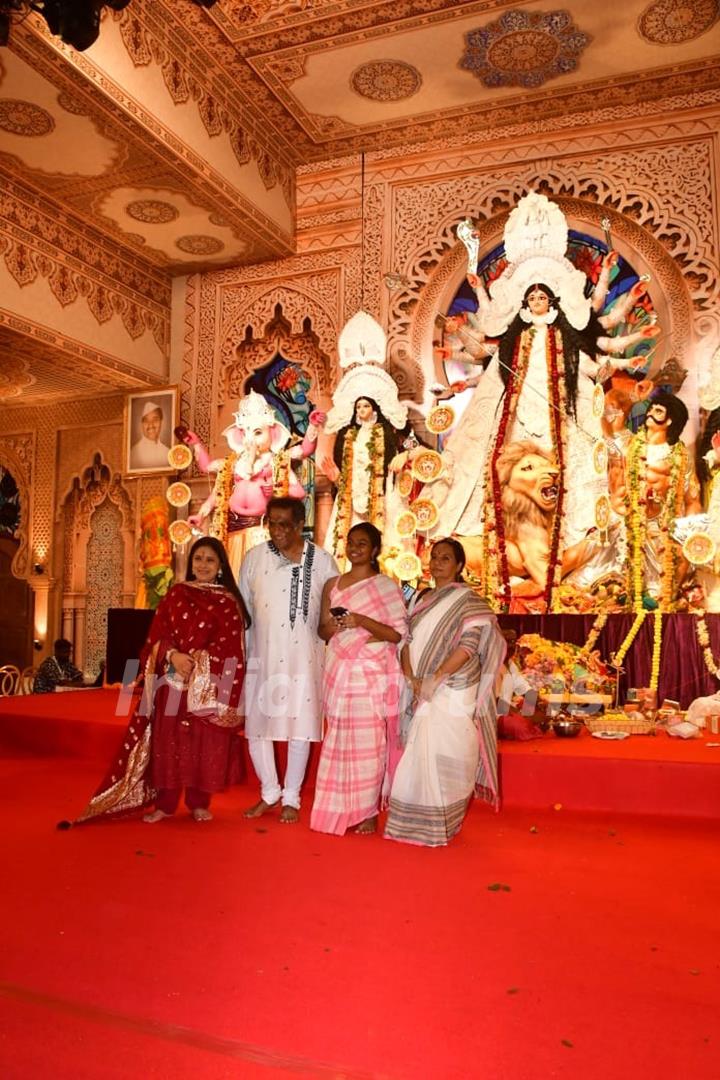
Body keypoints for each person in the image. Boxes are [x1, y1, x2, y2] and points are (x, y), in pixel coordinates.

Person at [426, 193, 659, 607]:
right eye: (530, 298)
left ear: (552, 301)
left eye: (542, 298)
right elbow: (482, 353)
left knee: (567, 475)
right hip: (513, 413)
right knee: (499, 474)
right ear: (524, 302)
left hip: (558, 412)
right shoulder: (514, 339)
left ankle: (563, 559)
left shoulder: (566, 339)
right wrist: (460, 342)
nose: (536, 303)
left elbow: (592, 363)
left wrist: (620, 360)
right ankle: (512, 552)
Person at [77, 537, 247, 824]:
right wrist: (172, 656)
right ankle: (166, 804)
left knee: (202, 742)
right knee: (168, 740)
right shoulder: (176, 594)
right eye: (198, 559)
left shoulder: (228, 602)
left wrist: (198, 662)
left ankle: (198, 802)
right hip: (171, 680)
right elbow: (156, 636)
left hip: (206, 684)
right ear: (190, 563)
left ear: (220, 566)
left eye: (210, 560)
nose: (203, 565)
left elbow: (231, 648)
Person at [385, 539, 506, 847]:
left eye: (445, 559)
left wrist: (436, 678)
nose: (437, 563)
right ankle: (414, 821)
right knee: (420, 750)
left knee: (454, 749)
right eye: (434, 557)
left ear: (459, 566)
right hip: (420, 685)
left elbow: (468, 647)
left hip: (453, 687)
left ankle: (444, 818)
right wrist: (411, 677)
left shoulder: (470, 602)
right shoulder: (421, 601)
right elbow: (406, 641)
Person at [240, 496, 338, 823]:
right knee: (257, 726)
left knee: (301, 725)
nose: (278, 531)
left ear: (300, 525)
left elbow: (334, 612)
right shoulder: (253, 559)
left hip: (305, 657)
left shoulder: (323, 562)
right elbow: (243, 613)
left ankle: (291, 797)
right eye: (273, 523)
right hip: (262, 654)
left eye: (285, 524)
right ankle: (269, 791)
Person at [310, 523, 407, 836]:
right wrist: (340, 625)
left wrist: (361, 621)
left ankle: (366, 812)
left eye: (362, 544)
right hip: (340, 670)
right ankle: (337, 808)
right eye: (351, 543)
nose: (354, 549)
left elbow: (396, 634)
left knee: (370, 743)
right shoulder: (332, 585)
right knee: (339, 739)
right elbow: (322, 630)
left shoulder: (386, 587)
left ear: (375, 550)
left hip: (371, 674)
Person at [185, 390, 325, 575]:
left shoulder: (277, 461)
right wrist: (201, 515)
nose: (251, 438)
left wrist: (276, 492)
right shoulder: (232, 463)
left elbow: (299, 486)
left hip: (262, 532)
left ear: (273, 434)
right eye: (246, 432)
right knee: (234, 578)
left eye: (258, 432)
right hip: (233, 532)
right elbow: (212, 483)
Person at [131, 401, 171, 470]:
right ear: (142, 425)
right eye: (146, 421)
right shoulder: (134, 453)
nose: (151, 425)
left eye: (155, 420)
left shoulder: (167, 452)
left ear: (161, 422)